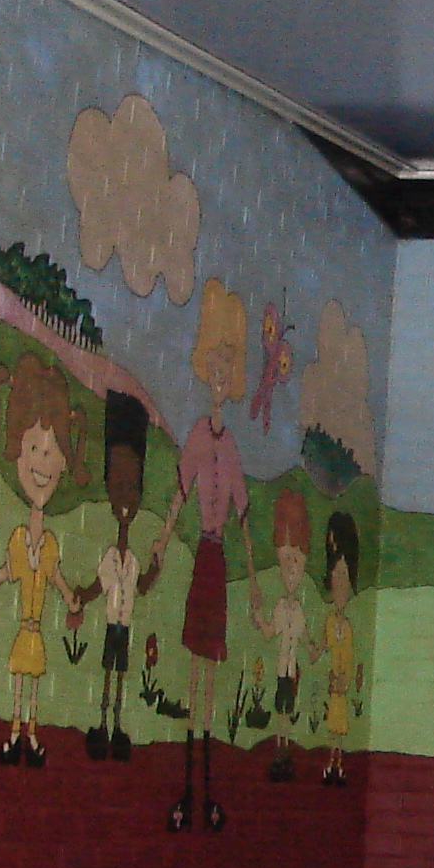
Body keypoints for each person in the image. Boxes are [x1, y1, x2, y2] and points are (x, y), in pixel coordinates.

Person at [0, 354, 89, 767]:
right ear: (17, 451)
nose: (43, 463)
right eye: (34, 447)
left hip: (36, 631)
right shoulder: (18, 540)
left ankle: (29, 735)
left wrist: (73, 601)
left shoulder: (48, 544)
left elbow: (59, 582)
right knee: (20, 680)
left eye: (52, 452)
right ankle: (14, 733)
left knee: (32, 683)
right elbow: (0, 578)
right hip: (25, 631)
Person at [172, 279, 249, 831]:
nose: (220, 379)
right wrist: (159, 537)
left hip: (221, 559)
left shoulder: (233, 447)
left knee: (213, 666)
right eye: (214, 370)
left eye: (228, 371)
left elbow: (245, 514)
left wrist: (255, 579)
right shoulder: (200, 435)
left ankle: (206, 780)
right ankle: (187, 777)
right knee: (196, 666)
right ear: (206, 372)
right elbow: (179, 489)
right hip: (203, 552)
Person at [68, 390, 180, 762]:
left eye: (131, 489)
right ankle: (103, 721)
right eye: (119, 489)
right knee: (107, 672)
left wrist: (154, 570)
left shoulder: (130, 561)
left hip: (123, 628)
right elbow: (99, 587)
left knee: (117, 675)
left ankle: (115, 724)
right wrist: (79, 596)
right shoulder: (113, 559)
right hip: (113, 628)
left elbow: (141, 587)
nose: (126, 500)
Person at [248, 487, 311, 781]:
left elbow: (305, 640)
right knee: (280, 708)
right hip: (281, 669)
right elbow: (270, 633)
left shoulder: (298, 610)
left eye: (296, 564)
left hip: (291, 670)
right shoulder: (280, 607)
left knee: (287, 707)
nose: (290, 571)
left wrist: (317, 646)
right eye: (286, 563)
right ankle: (280, 747)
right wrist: (259, 619)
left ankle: (284, 748)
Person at [310, 510, 359, 786]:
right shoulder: (330, 622)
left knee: (339, 727)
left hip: (340, 685)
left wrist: (344, 680)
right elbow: (319, 649)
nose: (339, 584)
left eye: (344, 577)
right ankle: (331, 763)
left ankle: (337, 764)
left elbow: (349, 658)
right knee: (332, 727)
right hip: (332, 687)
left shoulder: (348, 627)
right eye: (335, 576)